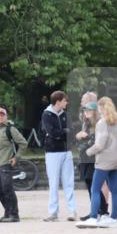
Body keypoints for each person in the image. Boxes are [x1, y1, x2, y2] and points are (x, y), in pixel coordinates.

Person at [77, 97, 117, 228]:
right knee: (115, 190)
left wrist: (88, 152)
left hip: (104, 160)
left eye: (99, 108)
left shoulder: (102, 123)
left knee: (95, 189)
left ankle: (93, 217)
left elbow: (99, 145)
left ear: (102, 108)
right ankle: (113, 218)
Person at [0, 107, 27, 222]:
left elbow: (23, 143)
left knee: (7, 188)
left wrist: (16, 158)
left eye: (2, 115)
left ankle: (14, 215)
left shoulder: (11, 129)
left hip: (6, 163)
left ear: (6, 116)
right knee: (0, 190)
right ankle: (8, 212)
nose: (0, 117)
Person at [41, 90, 77, 222]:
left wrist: (63, 133)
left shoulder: (66, 115)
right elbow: (51, 132)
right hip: (52, 153)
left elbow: (71, 132)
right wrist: (64, 132)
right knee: (54, 182)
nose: (66, 102)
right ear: (58, 102)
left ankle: (72, 211)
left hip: (66, 151)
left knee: (69, 182)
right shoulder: (46, 115)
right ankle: (53, 213)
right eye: (64, 100)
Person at [75, 93, 109, 222]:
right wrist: (80, 137)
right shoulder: (86, 123)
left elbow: (97, 141)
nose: (85, 112)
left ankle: (102, 211)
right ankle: (96, 211)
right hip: (85, 158)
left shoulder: (98, 124)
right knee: (90, 185)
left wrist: (84, 137)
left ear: (94, 112)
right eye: (85, 110)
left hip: (93, 158)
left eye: (88, 110)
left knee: (95, 186)